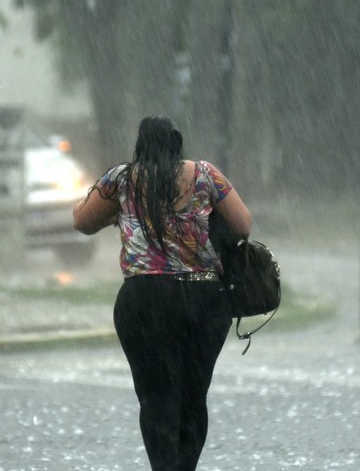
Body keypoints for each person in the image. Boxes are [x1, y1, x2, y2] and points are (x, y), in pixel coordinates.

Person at [72, 115, 252, 470]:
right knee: (192, 395)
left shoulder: (122, 179)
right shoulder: (205, 174)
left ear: (140, 145)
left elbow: (81, 221)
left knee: (155, 399)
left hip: (144, 302)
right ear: (177, 142)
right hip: (203, 301)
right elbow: (243, 224)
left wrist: (118, 212)